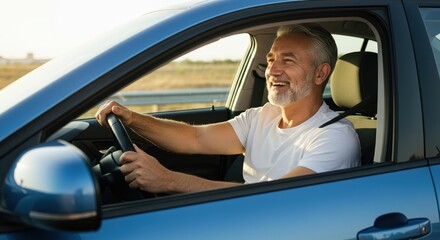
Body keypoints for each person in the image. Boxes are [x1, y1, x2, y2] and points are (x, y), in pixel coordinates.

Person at [95, 23, 361, 194]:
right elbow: (194, 138)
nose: (272, 71)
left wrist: (167, 180)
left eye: (287, 60)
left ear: (320, 74)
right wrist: (130, 118)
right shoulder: (263, 116)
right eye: (271, 60)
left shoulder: (335, 137)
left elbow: (275, 199)